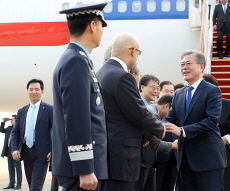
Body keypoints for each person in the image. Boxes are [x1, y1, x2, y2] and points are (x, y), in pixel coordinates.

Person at [96, 32, 165, 191]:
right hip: (120, 157)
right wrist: (159, 129)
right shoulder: (122, 76)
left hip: (104, 154)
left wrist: (146, 135)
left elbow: (119, 115)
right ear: (133, 51)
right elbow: (138, 113)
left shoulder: (100, 74)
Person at [52, 2, 109, 191]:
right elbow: (76, 117)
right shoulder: (76, 61)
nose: (102, 31)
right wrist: (84, 167)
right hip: (81, 171)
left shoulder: (78, 58)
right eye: (101, 25)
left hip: (83, 167)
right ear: (93, 26)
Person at [163, 50, 227, 191]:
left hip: (208, 160)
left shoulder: (212, 91)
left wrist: (182, 131)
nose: (184, 67)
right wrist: (157, 128)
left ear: (201, 67)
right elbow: (170, 118)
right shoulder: (179, 94)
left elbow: (211, 121)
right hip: (184, 159)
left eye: (188, 63)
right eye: (182, 64)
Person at [11, 79, 53, 191]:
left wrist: (53, 149)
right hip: (26, 151)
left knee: (35, 187)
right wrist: (14, 149)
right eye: (31, 89)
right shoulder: (22, 111)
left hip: (43, 153)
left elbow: (57, 131)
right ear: (27, 92)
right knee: (31, 186)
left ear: (42, 92)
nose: (34, 92)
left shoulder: (49, 109)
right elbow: (15, 132)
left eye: (37, 89)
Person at [146, 95, 178, 191]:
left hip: (168, 158)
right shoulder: (152, 114)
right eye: (171, 112)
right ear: (166, 106)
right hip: (152, 159)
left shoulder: (154, 112)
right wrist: (173, 145)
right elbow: (154, 142)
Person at [1, 115, 22, 190]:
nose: (11, 121)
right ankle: (11, 183)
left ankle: (19, 185)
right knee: (10, 168)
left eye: (12, 119)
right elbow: (1, 130)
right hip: (9, 151)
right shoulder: (9, 128)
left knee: (18, 168)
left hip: (16, 151)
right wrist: (3, 122)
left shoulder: (19, 128)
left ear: (16, 120)